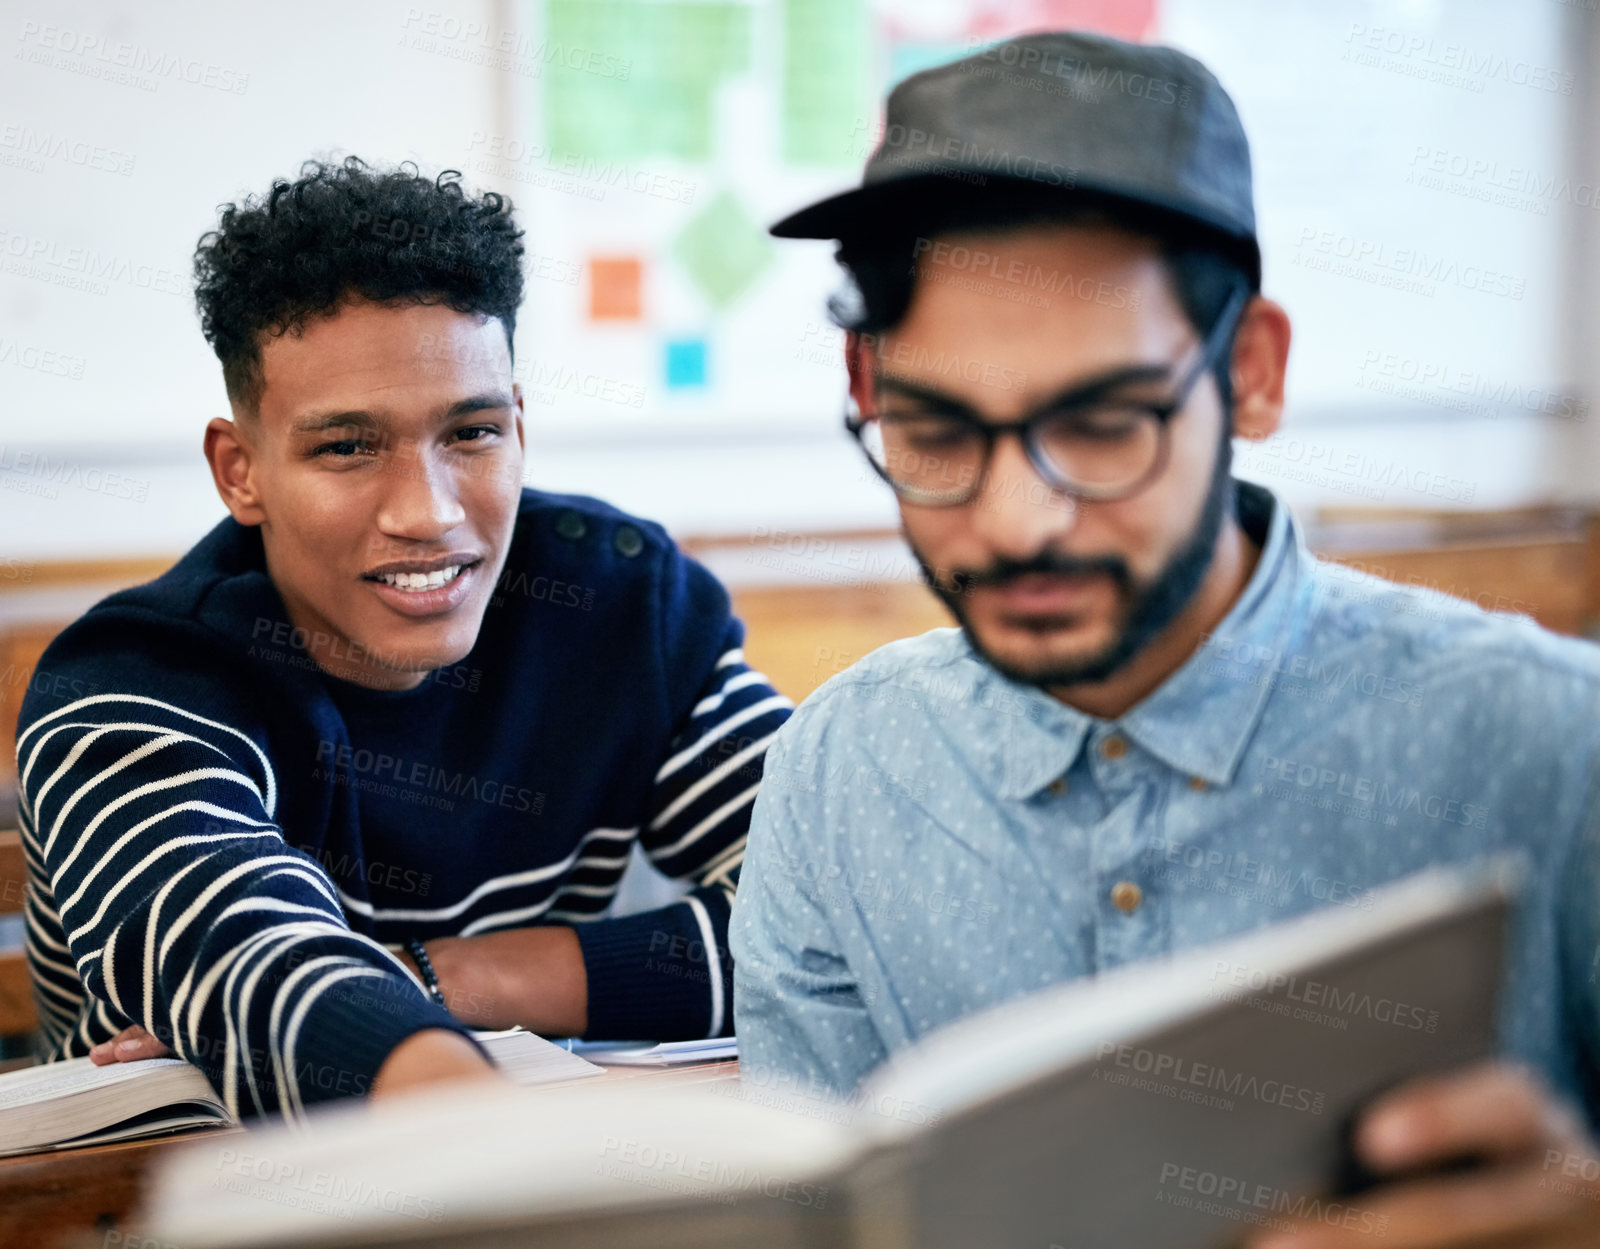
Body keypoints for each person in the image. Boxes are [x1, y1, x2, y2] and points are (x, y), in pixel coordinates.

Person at [732, 30, 1600, 1245]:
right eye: (936, 430)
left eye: (1100, 423)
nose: (1016, 521)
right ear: (868, 387)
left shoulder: (1554, 743)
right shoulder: (839, 773)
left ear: (1248, 372)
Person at [17, 157, 790, 1119]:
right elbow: (243, 965)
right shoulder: (133, 685)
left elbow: (830, 913)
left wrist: (441, 979)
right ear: (240, 470)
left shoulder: (623, 605)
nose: (427, 514)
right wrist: (452, 1066)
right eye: (347, 446)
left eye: (469, 433)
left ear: (519, 426)